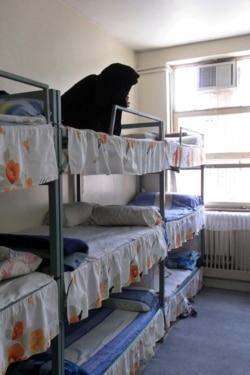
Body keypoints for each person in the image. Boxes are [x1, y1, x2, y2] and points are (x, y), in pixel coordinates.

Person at [61, 63, 139, 136]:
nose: (126, 93)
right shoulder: (93, 83)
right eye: (126, 86)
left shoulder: (114, 99)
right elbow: (63, 104)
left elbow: (114, 132)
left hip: (94, 139)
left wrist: (122, 103)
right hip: (76, 130)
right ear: (118, 82)